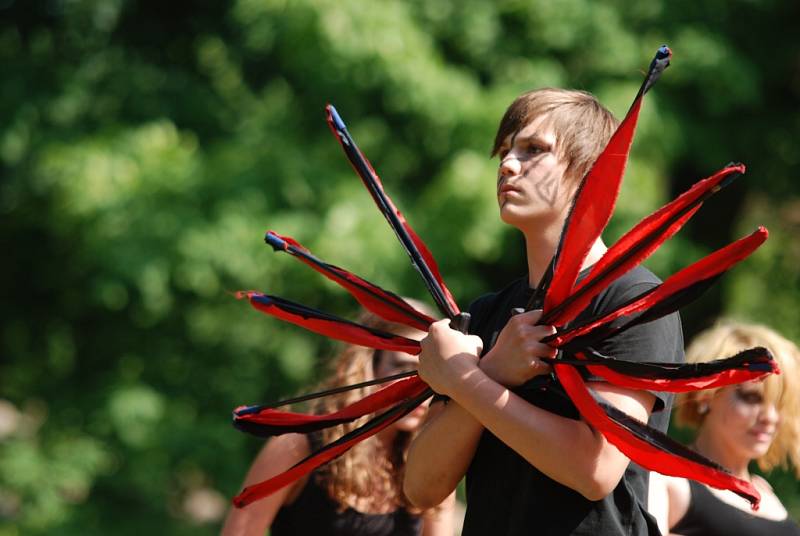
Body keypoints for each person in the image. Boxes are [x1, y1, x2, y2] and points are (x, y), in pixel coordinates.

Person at [404, 88, 684, 535]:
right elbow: (421, 486)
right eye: (505, 151)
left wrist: (467, 378)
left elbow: (594, 471)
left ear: (591, 172)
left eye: (533, 150)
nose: (507, 165)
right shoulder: (486, 313)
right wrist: (495, 369)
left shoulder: (634, 299)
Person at [221, 306, 456, 536]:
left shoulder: (434, 463)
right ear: (367, 369)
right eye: (404, 369)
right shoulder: (296, 446)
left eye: (428, 374)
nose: (417, 389)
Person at [648, 321, 800, 535]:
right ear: (706, 394)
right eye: (751, 397)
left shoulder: (766, 491)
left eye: (779, 403)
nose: (770, 417)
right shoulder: (667, 481)